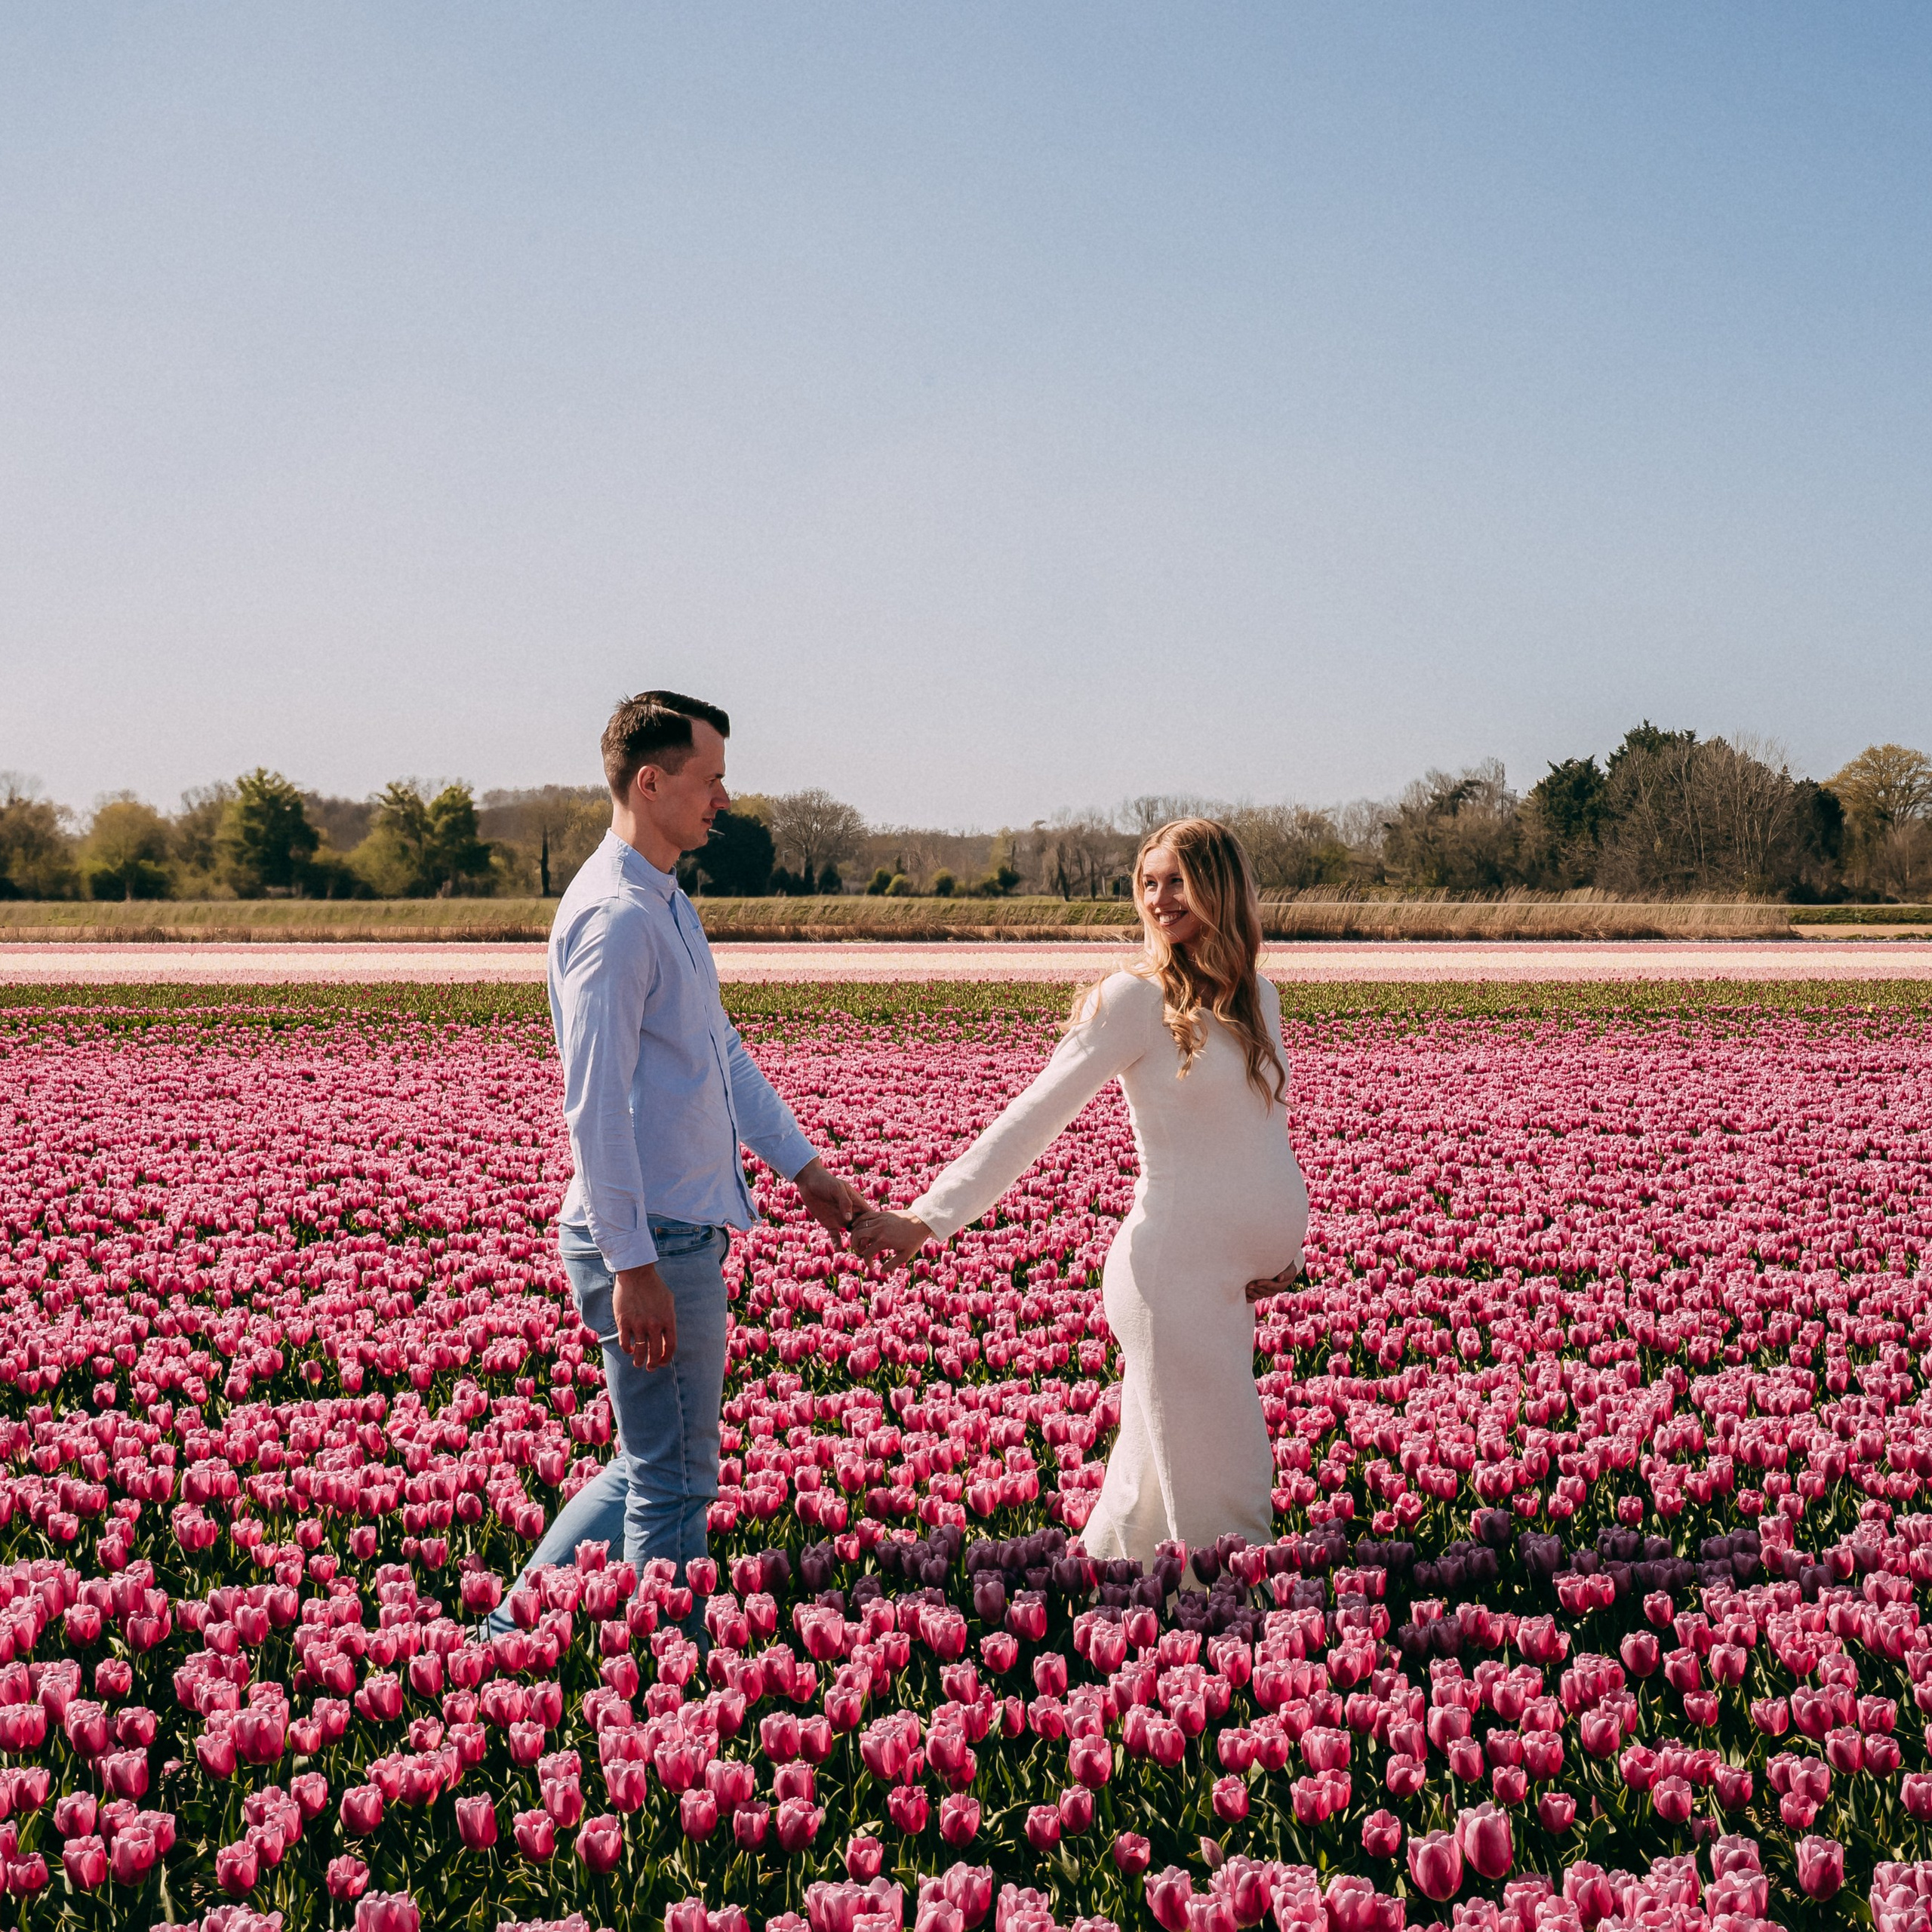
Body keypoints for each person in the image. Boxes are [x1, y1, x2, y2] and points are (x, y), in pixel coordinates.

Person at [494, 691, 866, 1633]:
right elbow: (596, 1107)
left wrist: (805, 1170)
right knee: (676, 1479)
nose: (725, 800)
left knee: (646, 1460)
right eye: (710, 780)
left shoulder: (663, 901)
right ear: (650, 782)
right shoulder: (617, 921)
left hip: (673, 1226)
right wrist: (634, 1265)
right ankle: (670, 1687)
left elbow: (721, 1055)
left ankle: (507, 1630)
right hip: (651, 1233)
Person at [851, 818, 1306, 1574]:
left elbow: (1262, 1136)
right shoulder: (1132, 999)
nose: (1160, 898)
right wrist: (928, 1217)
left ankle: (1104, 1619)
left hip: (1232, 1283)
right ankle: (1242, 1641)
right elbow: (1032, 1115)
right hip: (1171, 1276)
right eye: (1148, 882)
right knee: (1224, 1485)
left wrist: (1284, 1248)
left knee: (1151, 1489)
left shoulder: (1258, 995)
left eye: (1177, 881)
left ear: (1222, 888)